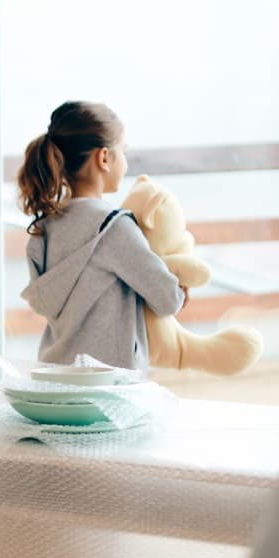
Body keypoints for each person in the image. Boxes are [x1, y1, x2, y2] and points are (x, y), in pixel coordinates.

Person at [17, 100, 187, 371]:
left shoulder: (44, 228)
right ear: (104, 158)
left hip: (55, 381)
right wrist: (180, 285)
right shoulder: (113, 228)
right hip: (107, 388)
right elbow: (168, 299)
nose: (126, 161)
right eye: (124, 151)